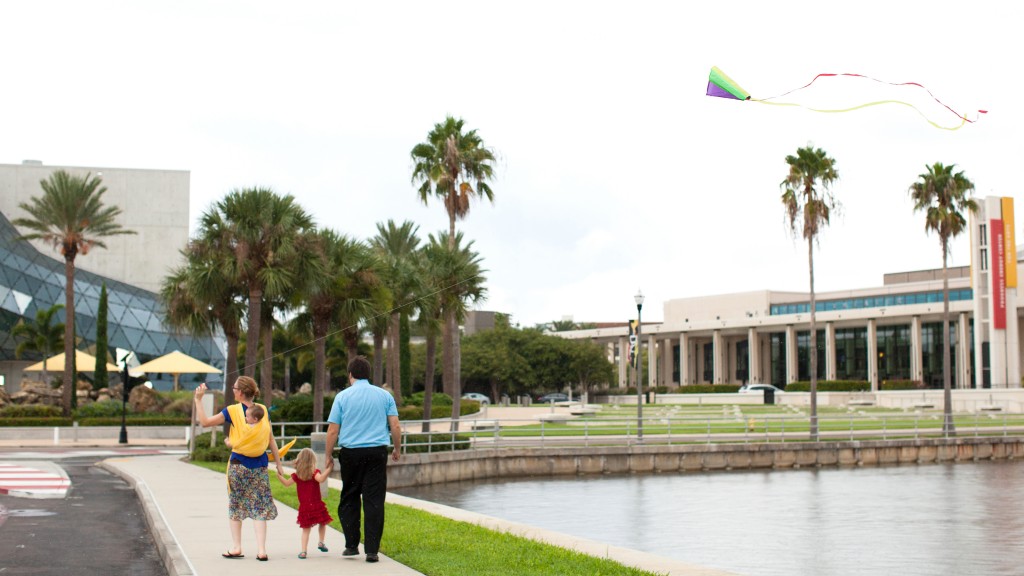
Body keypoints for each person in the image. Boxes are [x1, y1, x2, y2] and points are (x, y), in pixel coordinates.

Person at [194, 376, 284, 561]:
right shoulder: (262, 410)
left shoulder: (232, 411)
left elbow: (205, 422)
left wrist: (198, 400)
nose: (233, 390)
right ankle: (261, 550)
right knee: (259, 507)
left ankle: (236, 547)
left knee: (236, 505)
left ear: (241, 392)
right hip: (259, 465)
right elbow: (271, 439)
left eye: (234, 387)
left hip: (238, 465)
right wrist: (279, 463)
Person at [324, 356, 401, 563]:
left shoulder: (342, 397)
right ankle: (372, 550)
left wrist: (328, 454)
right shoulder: (385, 396)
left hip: (350, 453)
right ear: (369, 374)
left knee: (349, 497)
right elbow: (395, 425)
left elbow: (333, 430)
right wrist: (396, 448)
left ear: (350, 375)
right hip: (377, 452)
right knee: (374, 500)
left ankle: (351, 545)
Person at [275, 448, 334, 559]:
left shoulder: (297, 475)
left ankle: (303, 551)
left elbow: (286, 484)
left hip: (305, 507)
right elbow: (321, 479)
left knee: (306, 530)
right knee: (323, 522)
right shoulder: (314, 473)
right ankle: (321, 542)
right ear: (312, 461)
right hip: (316, 504)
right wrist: (329, 469)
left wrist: (279, 476)